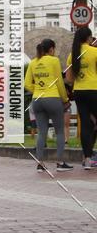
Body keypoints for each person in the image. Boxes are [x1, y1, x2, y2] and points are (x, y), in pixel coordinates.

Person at [24, 39, 72, 172]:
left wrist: (39, 91)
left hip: (37, 100)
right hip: (53, 98)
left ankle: (40, 164)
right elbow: (59, 83)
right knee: (60, 131)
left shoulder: (33, 62)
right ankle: (60, 162)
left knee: (41, 133)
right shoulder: (54, 60)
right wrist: (65, 98)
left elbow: (27, 84)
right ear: (51, 49)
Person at [65, 25, 97, 170]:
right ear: (88, 38)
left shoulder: (73, 54)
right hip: (94, 90)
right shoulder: (94, 52)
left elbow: (69, 79)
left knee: (85, 123)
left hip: (79, 91)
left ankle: (88, 159)